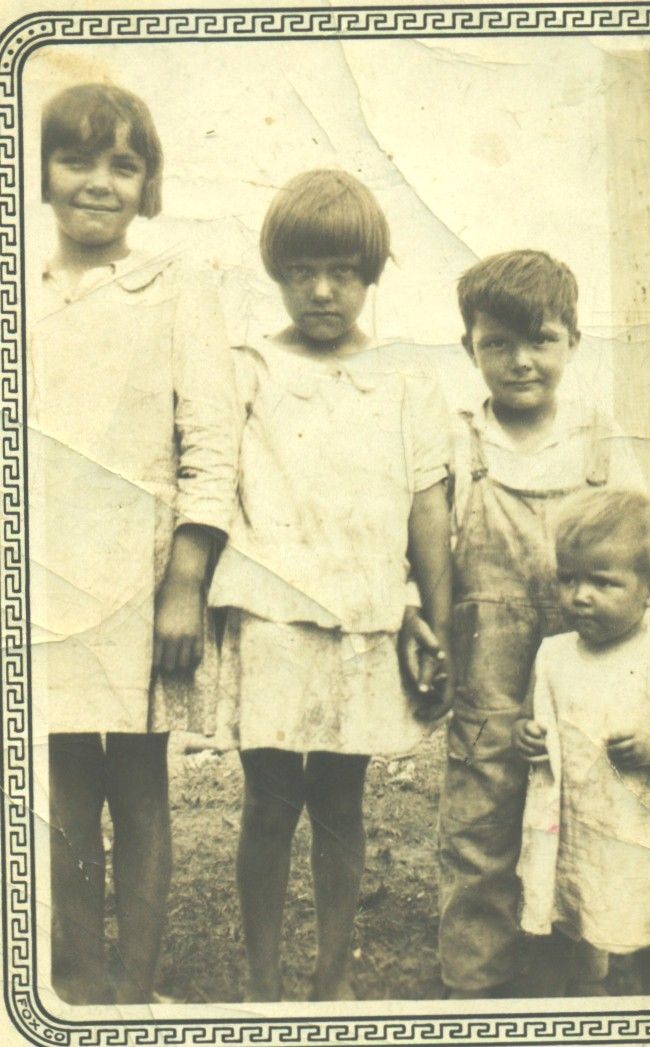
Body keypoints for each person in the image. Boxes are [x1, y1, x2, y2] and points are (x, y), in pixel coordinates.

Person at [208, 169, 452, 1002]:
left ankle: (333, 974)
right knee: (270, 800)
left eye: (342, 271)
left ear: (370, 273)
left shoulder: (405, 379)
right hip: (271, 615)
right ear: (276, 271)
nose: (322, 290)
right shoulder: (247, 370)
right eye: (302, 270)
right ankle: (263, 980)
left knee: (341, 801)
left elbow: (426, 507)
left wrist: (433, 620)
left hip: (363, 619)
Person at [29, 83, 238, 1004]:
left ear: (147, 182)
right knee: (65, 784)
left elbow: (211, 443)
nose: (98, 182)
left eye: (123, 164)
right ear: (41, 173)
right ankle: (78, 984)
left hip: (143, 578)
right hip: (46, 578)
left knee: (140, 783)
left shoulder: (178, 287)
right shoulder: (25, 294)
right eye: (76, 159)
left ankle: (138, 987)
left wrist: (185, 579)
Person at [405, 250, 644, 999]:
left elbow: (640, 553)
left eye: (540, 340)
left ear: (572, 340)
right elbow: (423, 546)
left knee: (584, 811)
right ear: (469, 347)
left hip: (586, 671)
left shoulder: (600, 441)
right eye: (497, 343)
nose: (520, 361)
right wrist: (423, 621)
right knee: (480, 818)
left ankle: (577, 968)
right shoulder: (459, 440)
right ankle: (475, 977)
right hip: (488, 670)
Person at [514, 486, 650, 995]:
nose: (579, 596)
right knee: (567, 913)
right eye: (568, 579)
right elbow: (533, 718)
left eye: (602, 582)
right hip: (573, 829)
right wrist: (525, 735)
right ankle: (574, 1001)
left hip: (642, 836)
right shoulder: (553, 655)